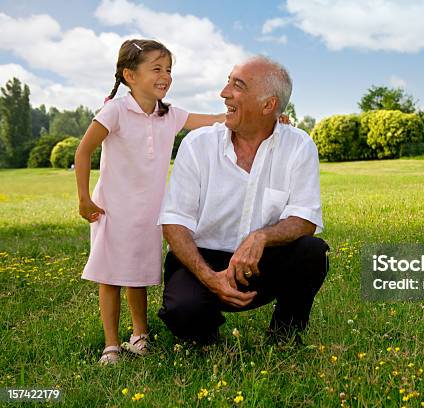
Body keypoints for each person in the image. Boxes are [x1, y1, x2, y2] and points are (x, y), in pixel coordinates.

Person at [75, 39, 228, 365]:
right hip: (113, 209)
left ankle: (140, 335)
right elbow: (84, 151)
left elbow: (214, 119)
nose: (165, 76)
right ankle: (112, 345)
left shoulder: (169, 115)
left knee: (139, 274)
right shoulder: (115, 110)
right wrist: (84, 198)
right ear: (130, 75)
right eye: (156, 69)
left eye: (169, 69)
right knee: (112, 276)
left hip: (150, 213)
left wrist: (262, 117)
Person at [158, 55, 329, 346]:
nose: (224, 93)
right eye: (228, 82)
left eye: (237, 85)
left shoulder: (299, 145)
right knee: (183, 311)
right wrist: (209, 277)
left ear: (268, 105)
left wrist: (260, 237)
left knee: (313, 253)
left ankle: (284, 337)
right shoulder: (197, 145)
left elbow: (305, 218)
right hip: (202, 259)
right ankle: (208, 340)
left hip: (260, 261)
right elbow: (174, 222)